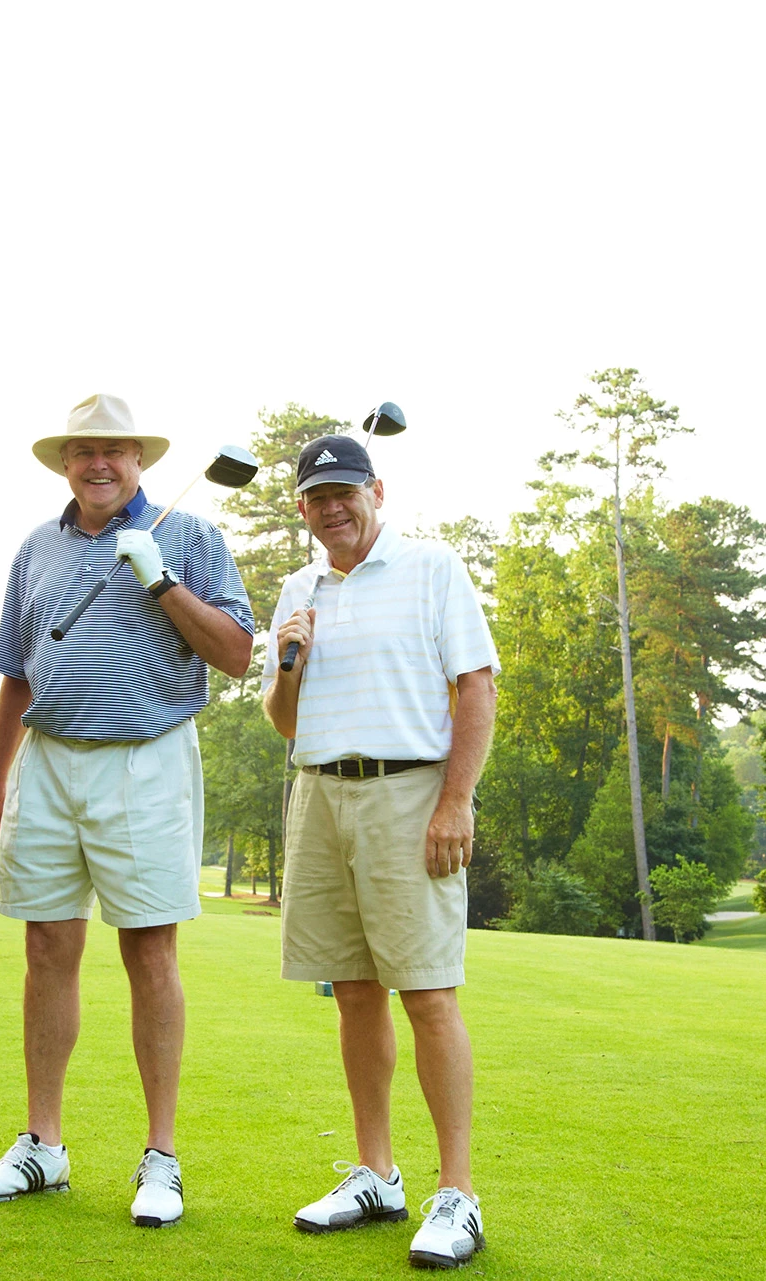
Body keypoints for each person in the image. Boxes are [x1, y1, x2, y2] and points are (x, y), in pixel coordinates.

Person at [0, 393, 255, 1227]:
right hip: (49, 759)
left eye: (116, 451)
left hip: (147, 755)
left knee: (149, 953)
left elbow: (236, 654)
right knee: (47, 947)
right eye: (84, 450)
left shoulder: (189, 535)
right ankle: (43, 1147)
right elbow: (16, 674)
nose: (100, 464)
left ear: (141, 462)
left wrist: (158, 578)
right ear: (66, 462)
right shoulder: (34, 548)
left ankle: (160, 1157)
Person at [260, 432, 499, 1270]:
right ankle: (376, 1172)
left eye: (345, 491)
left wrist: (455, 800)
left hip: (410, 792)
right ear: (302, 510)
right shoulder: (299, 586)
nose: (334, 507)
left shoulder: (433, 568)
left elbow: (476, 685)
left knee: (427, 994)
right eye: (317, 497)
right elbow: (283, 721)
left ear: (376, 491)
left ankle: (457, 1193)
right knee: (352, 992)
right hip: (319, 792)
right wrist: (290, 660)